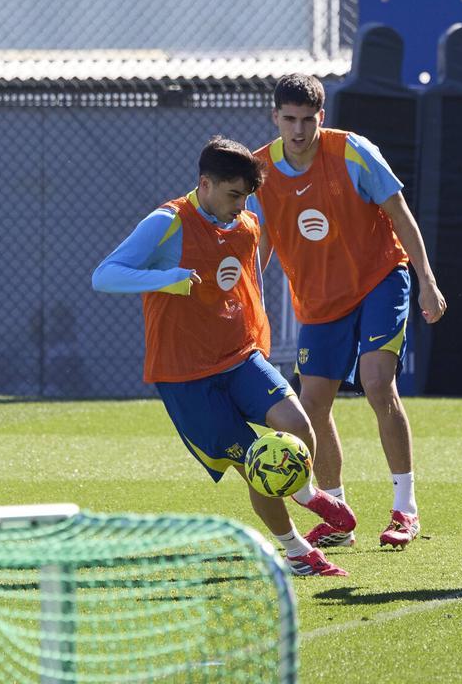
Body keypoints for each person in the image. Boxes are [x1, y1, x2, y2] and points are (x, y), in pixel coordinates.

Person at [92, 136, 356, 576]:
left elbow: (246, 287)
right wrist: (167, 279)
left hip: (238, 355)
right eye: (233, 195)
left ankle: (306, 491)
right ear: (205, 183)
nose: (241, 206)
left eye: (247, 197)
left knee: (296, 424)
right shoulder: (168, 222)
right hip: (186, 375)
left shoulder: (247, 226)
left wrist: (258, 336)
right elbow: (104, 276)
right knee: (256, 464)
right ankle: (295, 551)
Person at [251, 73, 446, 550]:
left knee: (378, 382)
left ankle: (405, 509)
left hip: (379, 278)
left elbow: (400, 213)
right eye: (289, 120)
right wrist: (248, 301)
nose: (298, 131)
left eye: (307, 120)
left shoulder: (353, 151)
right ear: (275, 117)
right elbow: (264, 239)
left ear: (322, 117)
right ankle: (338, 515)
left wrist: (427, 280)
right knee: (313, 402)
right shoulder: (258, 169)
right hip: (318, 298)